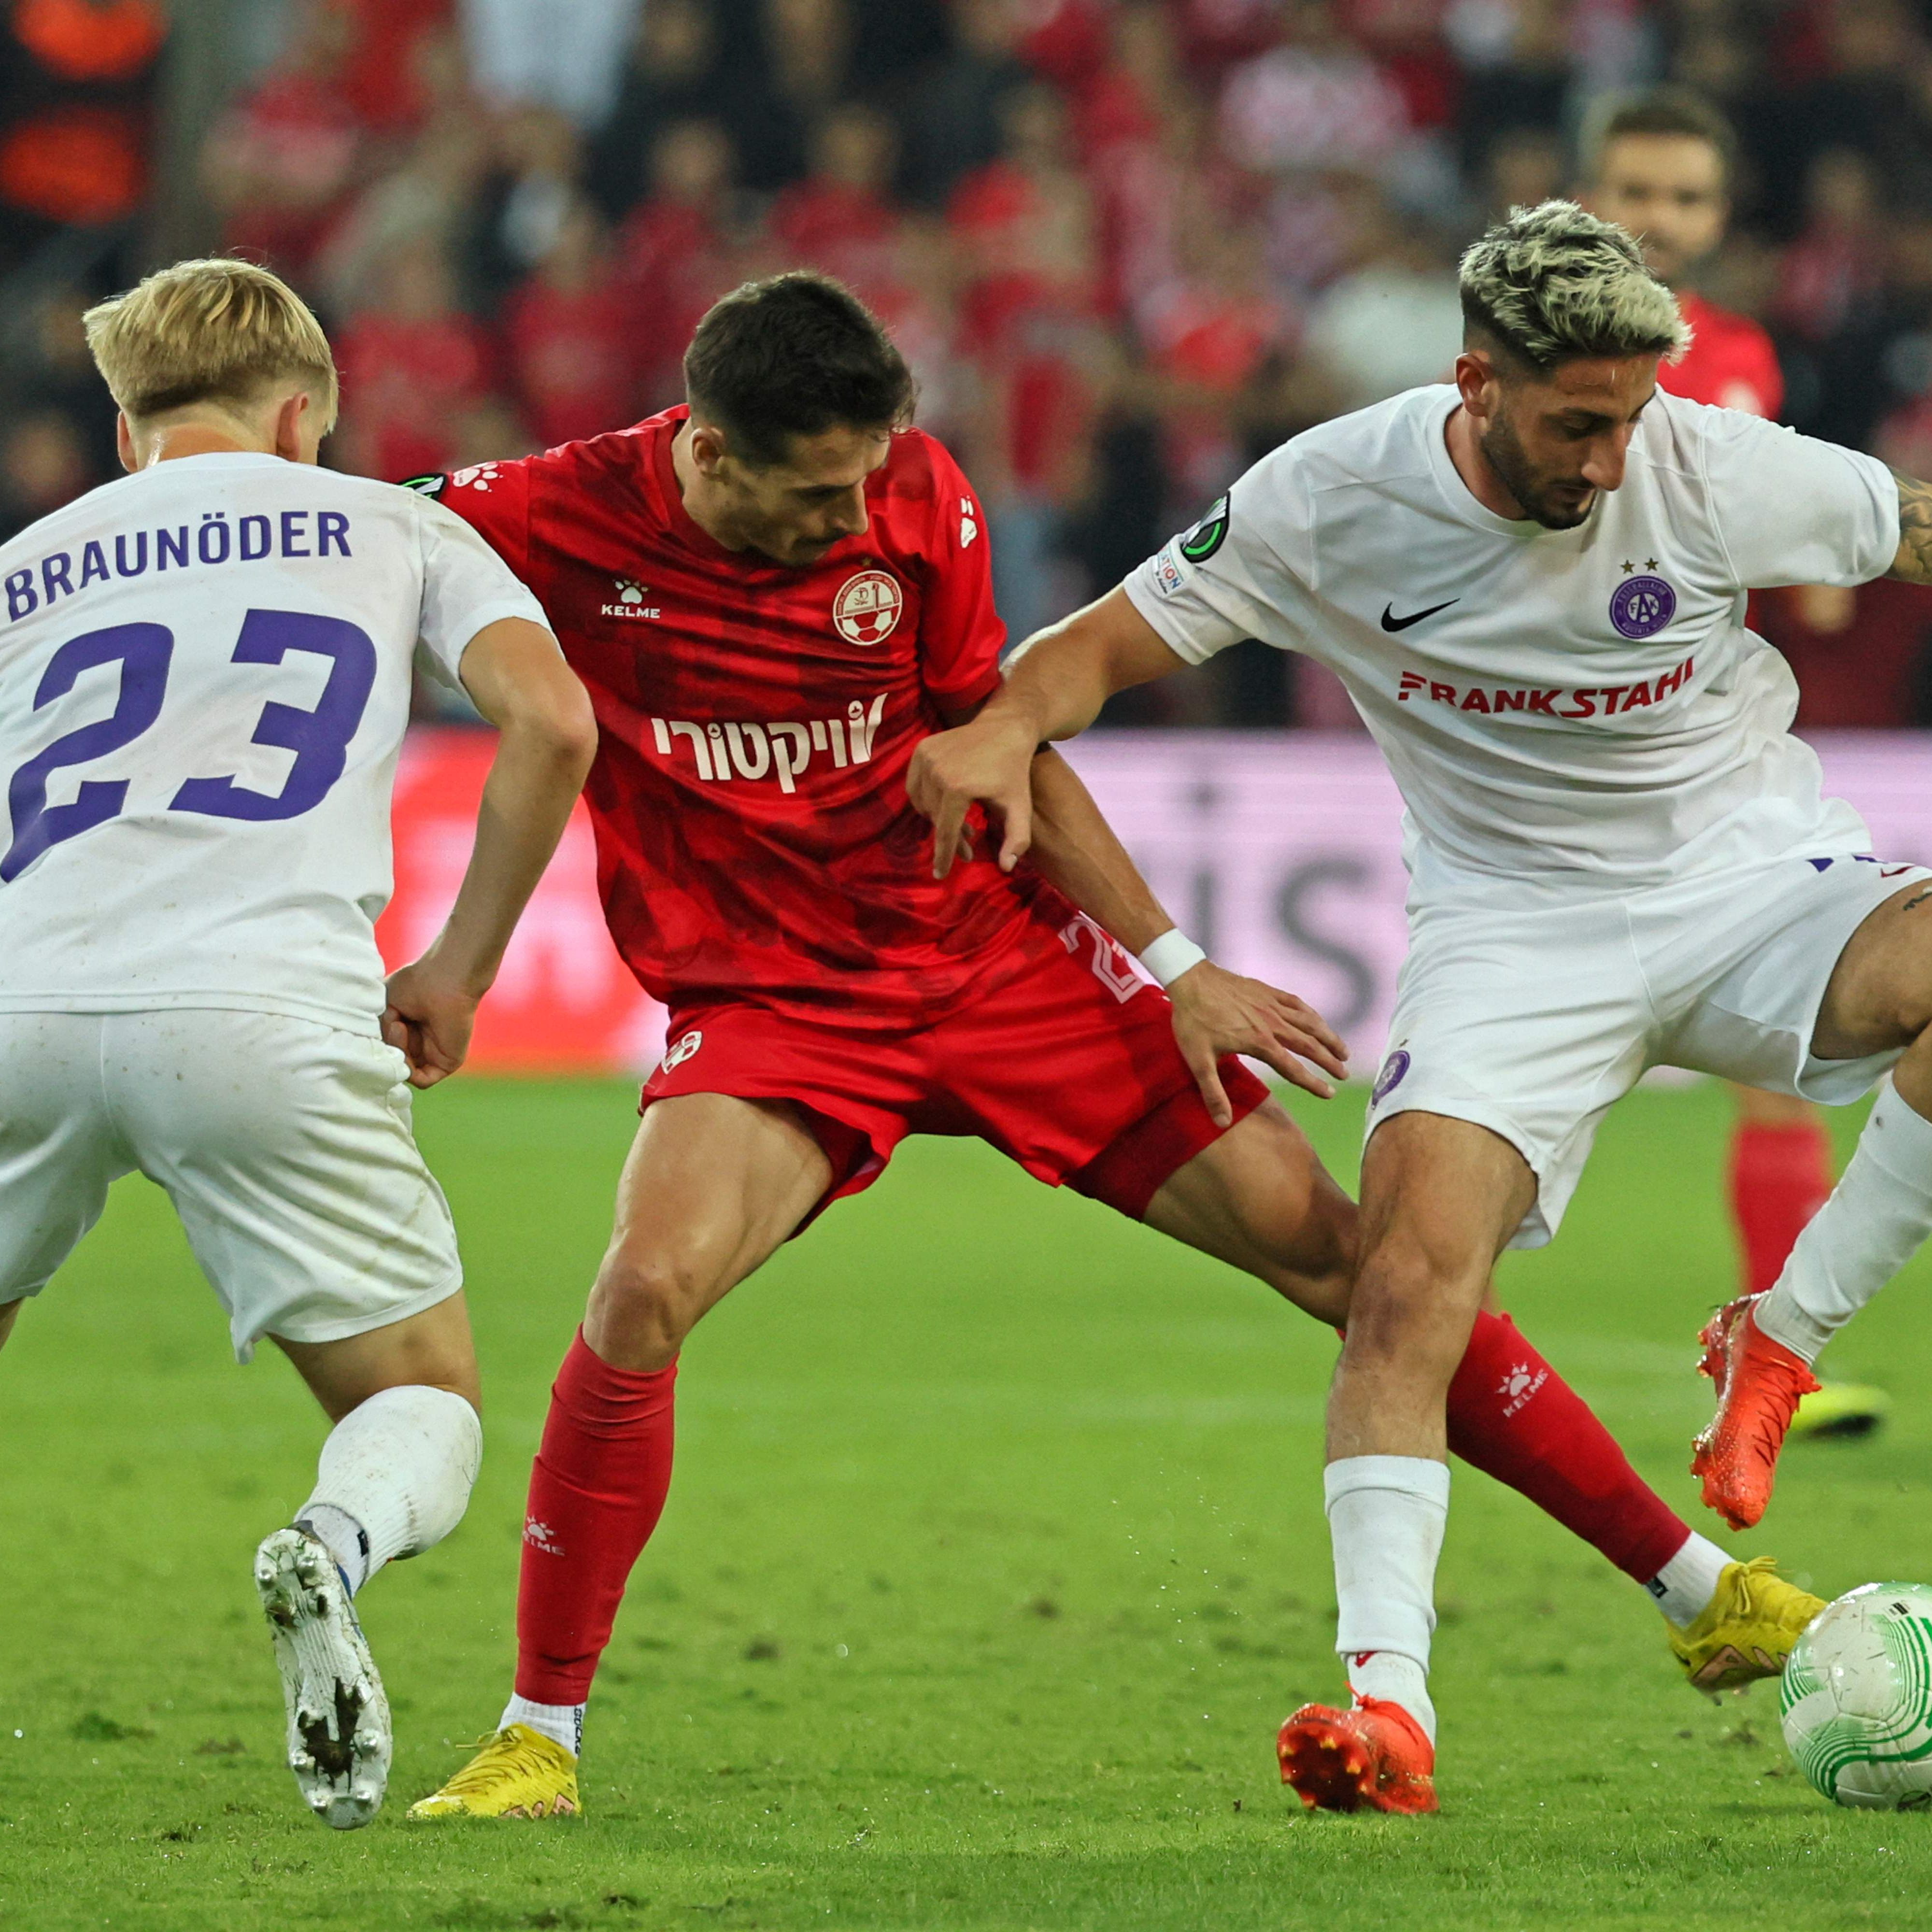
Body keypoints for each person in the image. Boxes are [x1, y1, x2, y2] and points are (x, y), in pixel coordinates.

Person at [401, 270, 1820, 1825]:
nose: (849, 520)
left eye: (868, 480)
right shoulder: (545, 514)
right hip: (778, 1002)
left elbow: (1011, 741)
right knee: (640, 1290)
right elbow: (353, 541)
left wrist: (1175, 965)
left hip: (1001, 962)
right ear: (710, 451)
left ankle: (1704, 1599)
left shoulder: (915, 499)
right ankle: (540, 1738)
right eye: (815, 496)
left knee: (1364, 1268)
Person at [908, 202, 1932, 1813]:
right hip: (1513, 932)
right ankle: (1391, 1708)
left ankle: (1781, 1337)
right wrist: (1000, 727)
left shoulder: (1711, 464)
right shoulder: (1328, 495)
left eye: (1631, 420)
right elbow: (1089, 655)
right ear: (1473, 381)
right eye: (1576, 424)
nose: (1611, 463)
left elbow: (1914, 525)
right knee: (1400, 1287)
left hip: (1750, 882)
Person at [0, 259, 597, 1828]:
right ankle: (329, 1547)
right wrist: (458, 968)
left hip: (20, 998)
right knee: (424, 1398)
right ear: (299, 416)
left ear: (130, 437)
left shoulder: (29, 563)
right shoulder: (398, 526)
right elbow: (555, 723)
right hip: (259, 1006)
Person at [1580, 92, 1873, 1429]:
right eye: (1637, 191)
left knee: (1781, 1067)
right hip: (1554, 761)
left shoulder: (1738, 353)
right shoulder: (1534, 346)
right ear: (1593, 196)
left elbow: (1766, 521)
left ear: (1715, 217)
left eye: (1687, 199)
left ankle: (1774, 1350)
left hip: (1701, 764)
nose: (1659, 219)